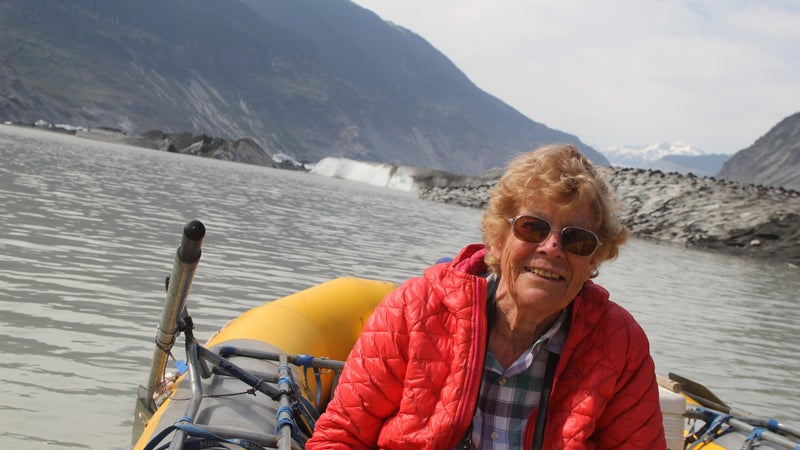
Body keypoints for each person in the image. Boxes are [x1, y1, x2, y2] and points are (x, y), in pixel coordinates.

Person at [306, 144, 666, 449]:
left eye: (577, 240)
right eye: (533, 227)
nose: (553, 248)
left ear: (593, 260)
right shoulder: (414, 310)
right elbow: (342, 436)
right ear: (498, 237)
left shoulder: (621, 344)